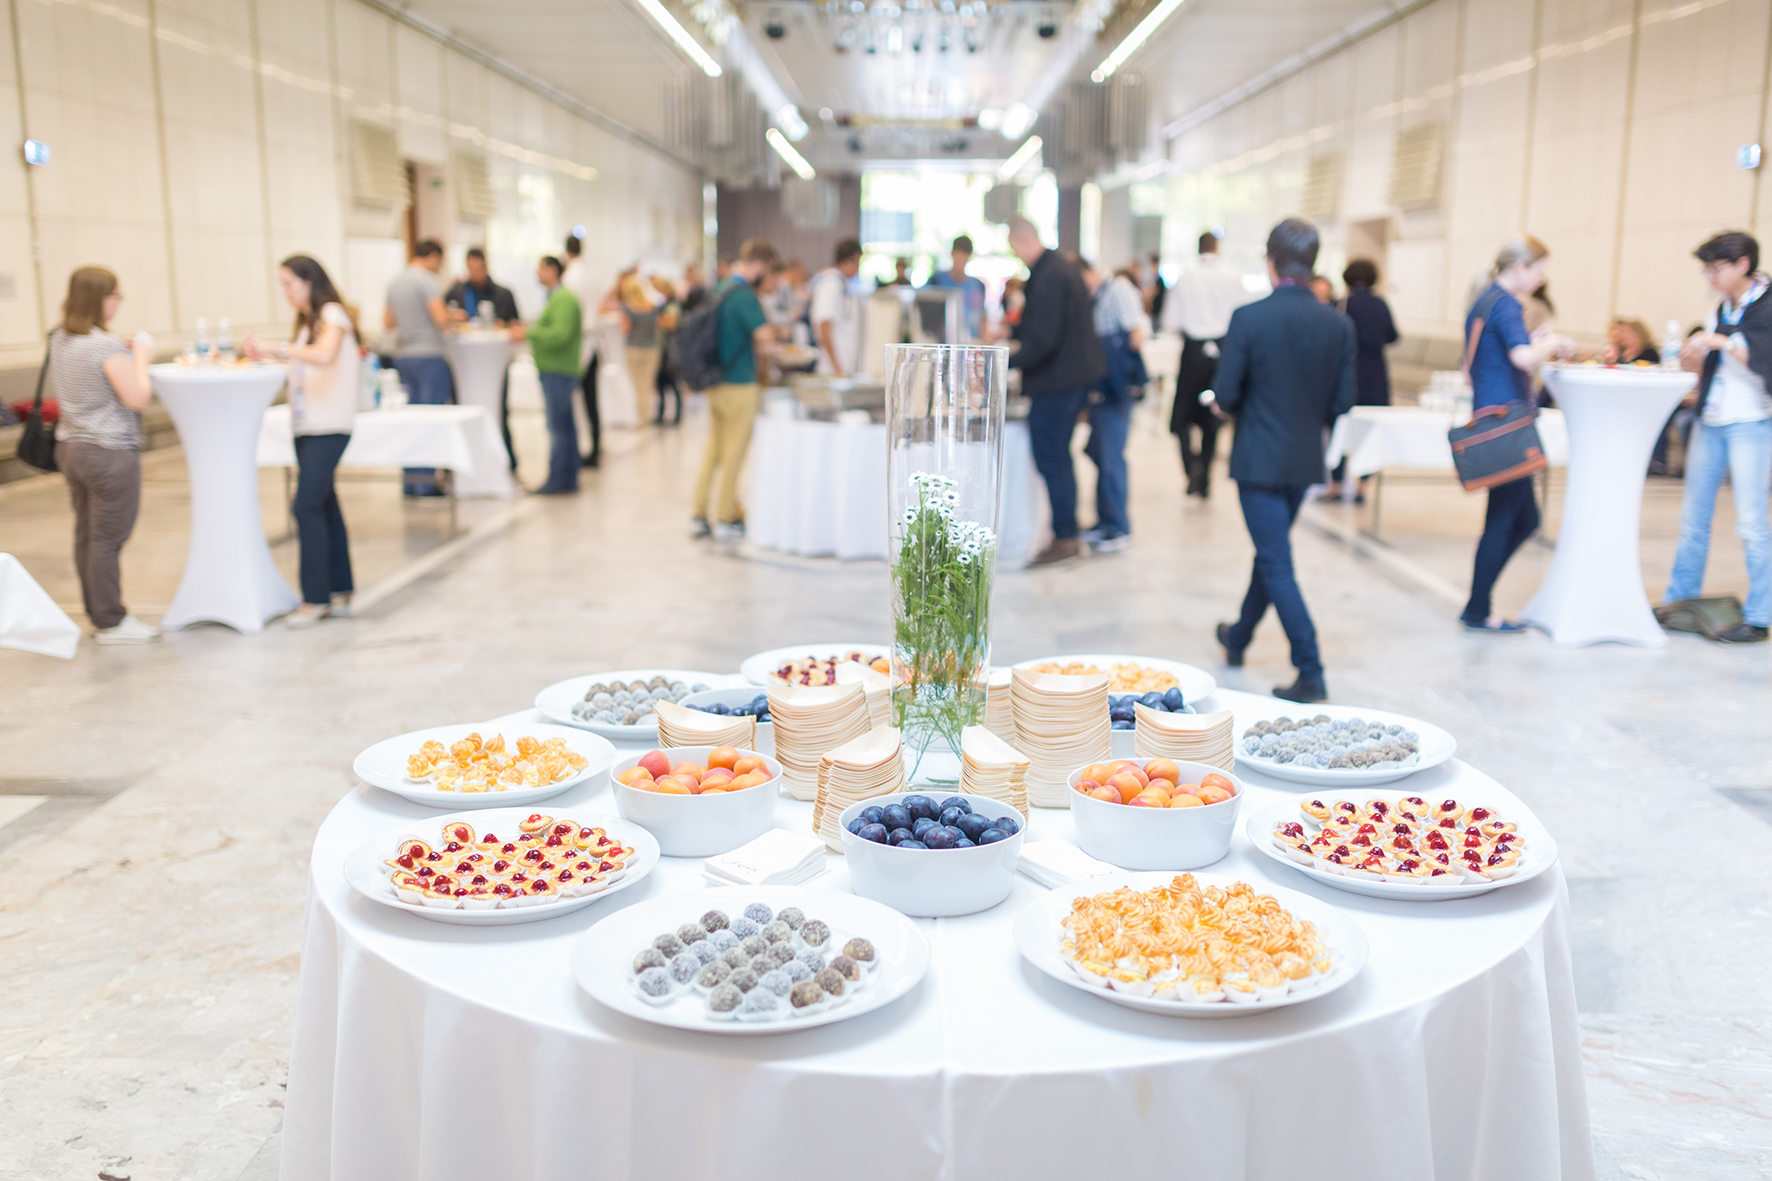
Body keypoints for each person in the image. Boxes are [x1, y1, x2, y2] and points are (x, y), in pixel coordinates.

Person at [1210, 218, 1357, 703]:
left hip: (1257, 461)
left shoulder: (1248, 318)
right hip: (1303, 463)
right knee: (1270, 554)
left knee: (1275, 560)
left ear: (1270, 261)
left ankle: (1310, 669)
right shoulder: (1338, 323)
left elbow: (1226, 395)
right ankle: (1238, 637)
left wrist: (1221, 403)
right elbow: (1342, 403)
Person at [1458, 236, 1576, 633]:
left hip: (1496, 415)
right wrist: (1554, 343)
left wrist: (1537, 343)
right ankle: (1478, 608)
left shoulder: (1484, 298)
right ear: (1521, 267)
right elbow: (1520, 357)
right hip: (1507, 420)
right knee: (1508, 518)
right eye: (1539, 270)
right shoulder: (1507, 303)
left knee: (1522, 518)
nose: (1542, 279)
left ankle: (1477, 604)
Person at [1664, 230, 1772, 643]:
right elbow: (1706, 370)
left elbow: (1764, 360)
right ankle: (1679, 601)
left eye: (1716, 268)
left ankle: (1760, 616)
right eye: (1706, 270)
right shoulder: (1718, 309)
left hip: (1750, 423)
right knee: (1693, 521)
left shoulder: (1766, 305)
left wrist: (1722, 343)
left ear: (1742, 264)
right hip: (1711, 419)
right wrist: (1695, 356)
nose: (1710, 277)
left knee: (1751, 523)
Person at [244, 256, 361, 628]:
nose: (285, 292)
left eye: (288, 283)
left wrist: (275, 347)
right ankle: (340, 588)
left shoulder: (332, 315)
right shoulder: (308, 322)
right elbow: (304, 365)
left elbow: (325, 356)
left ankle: (315, 598)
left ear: (309, 281)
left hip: (330, 424)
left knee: (305, 504)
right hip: (308, 423)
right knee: (324, 503)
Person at [50, 266, 157, 644]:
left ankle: (99, 614)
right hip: (109, 453)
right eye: (116, 296)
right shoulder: (103, 347)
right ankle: (112, 620)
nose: (118, 303)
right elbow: (138, 397)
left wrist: (121, 349)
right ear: (102, 298)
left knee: (87, 536)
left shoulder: (60, 338)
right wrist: (141, 356)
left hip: (72, 449)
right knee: (108, 539)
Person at [1004, 215, 1107, 567]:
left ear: (1020, 242)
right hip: (1065, 379)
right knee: (1058, 457)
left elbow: (1043, 340)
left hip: (1058, 382)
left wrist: (1006, 362)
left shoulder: (1050, 275)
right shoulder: (1057, 269)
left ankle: (1065, 536)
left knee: (1053, 457)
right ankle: (1066, 533)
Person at [692, 237, 778, 541]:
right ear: (759, 266)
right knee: (735, 454)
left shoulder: (720, 289)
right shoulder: (744, 296)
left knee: (713, 450)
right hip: (740, 383)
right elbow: (765, 338)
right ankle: (726, 515)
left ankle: (699, 512)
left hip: (714, 381)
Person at [1164, 230, 1251, 498]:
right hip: (1222, 350)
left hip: (1193, 350)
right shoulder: (1233, 277)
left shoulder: (1186, 278)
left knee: (1182, 418)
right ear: (1218, 248)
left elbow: (1170, 321)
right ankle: (1206, 476)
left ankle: (1192, 468)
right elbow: (1243, 317)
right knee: (1213, 415)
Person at [1079, 258, 1146, 552]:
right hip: (1102, 388)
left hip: (1116, 389)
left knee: (1111, 456)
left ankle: (1118, 527)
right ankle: (1105, 521)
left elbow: (1136, 333)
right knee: (1099, 452)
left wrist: (1122, 374)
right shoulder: (1096, 297)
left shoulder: (1118, 288)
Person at [1325, 259, 1400, 499]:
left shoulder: (1342, 304)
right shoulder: (1380, 304)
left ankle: (1336, 484)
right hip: (1375, 373)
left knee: (1340, 426)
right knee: (1370, 430)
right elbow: (1393, 336)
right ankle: (1362, 486)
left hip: (1347, 372)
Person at [383, 239, 453, 495]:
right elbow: (440, 318)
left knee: (411, 419)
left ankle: (411, 482)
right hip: (429, 356)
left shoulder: (395, 281)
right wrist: (452, 318)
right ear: (433, 257)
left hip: (405, 356)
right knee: (431, 418)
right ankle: (427, 483)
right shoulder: (426, 281)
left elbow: (388, 322)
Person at [445, 247, 523, 470]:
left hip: (493, 363)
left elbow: (516, 327)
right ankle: (463, 463)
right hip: (466, 365)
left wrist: (502, 326)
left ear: (486, 266)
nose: (475, 272)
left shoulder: (503, 294)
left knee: (499, 409)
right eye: (471, 268)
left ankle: (505, 461)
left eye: (478, 267)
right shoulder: (456, 293)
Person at [526, 255, 583, 495]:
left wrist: (531, 333)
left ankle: (558, 478)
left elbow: (560, 334)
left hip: (559, 368)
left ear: (552, 270)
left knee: (557, 427)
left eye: (540, 268)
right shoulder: (555, 298)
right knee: (565, 424)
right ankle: (567, 476)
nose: (537, 273)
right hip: (555, 367)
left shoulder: (564, 299)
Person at [561, 234, 601, 467]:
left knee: (573, 403)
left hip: (578, 344)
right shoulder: (590, 275)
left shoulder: (570, 278)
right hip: (592, 342)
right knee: (591, 401)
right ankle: (595, 447)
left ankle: (577, 450)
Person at [810, 238, 863, 377]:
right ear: (848, 260)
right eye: (858, 262)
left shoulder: (843, 285)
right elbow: (824, 326)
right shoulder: (830, 285)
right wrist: (837, 368)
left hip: (844, 365)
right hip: (832, 369)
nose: (858, 267)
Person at [618, 273, 663, 426]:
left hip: (634, 348)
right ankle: (646, 415)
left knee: (638, 385)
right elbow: (658, 327)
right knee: (647, 384)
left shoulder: (627, 308)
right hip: (651, 349)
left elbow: (624, 328)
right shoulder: (652, 307)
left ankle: (641, 417)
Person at [924, 235, 987, 340]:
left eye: (964, 257)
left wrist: (983, 342)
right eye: (958, 257)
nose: (961, 261)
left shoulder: (978, 286)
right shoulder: (936, 281)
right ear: (952, 254)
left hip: (970, 343)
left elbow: (983, 318)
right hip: (942, 343)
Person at [651, 275, 685, 425]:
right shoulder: (664, 303)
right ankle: (661, 413)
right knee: (661, 381)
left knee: (674, 380)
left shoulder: (672, 303)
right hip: (664, 346)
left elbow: (670, 323)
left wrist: (659, 321)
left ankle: (677, 414)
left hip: (672, 346)